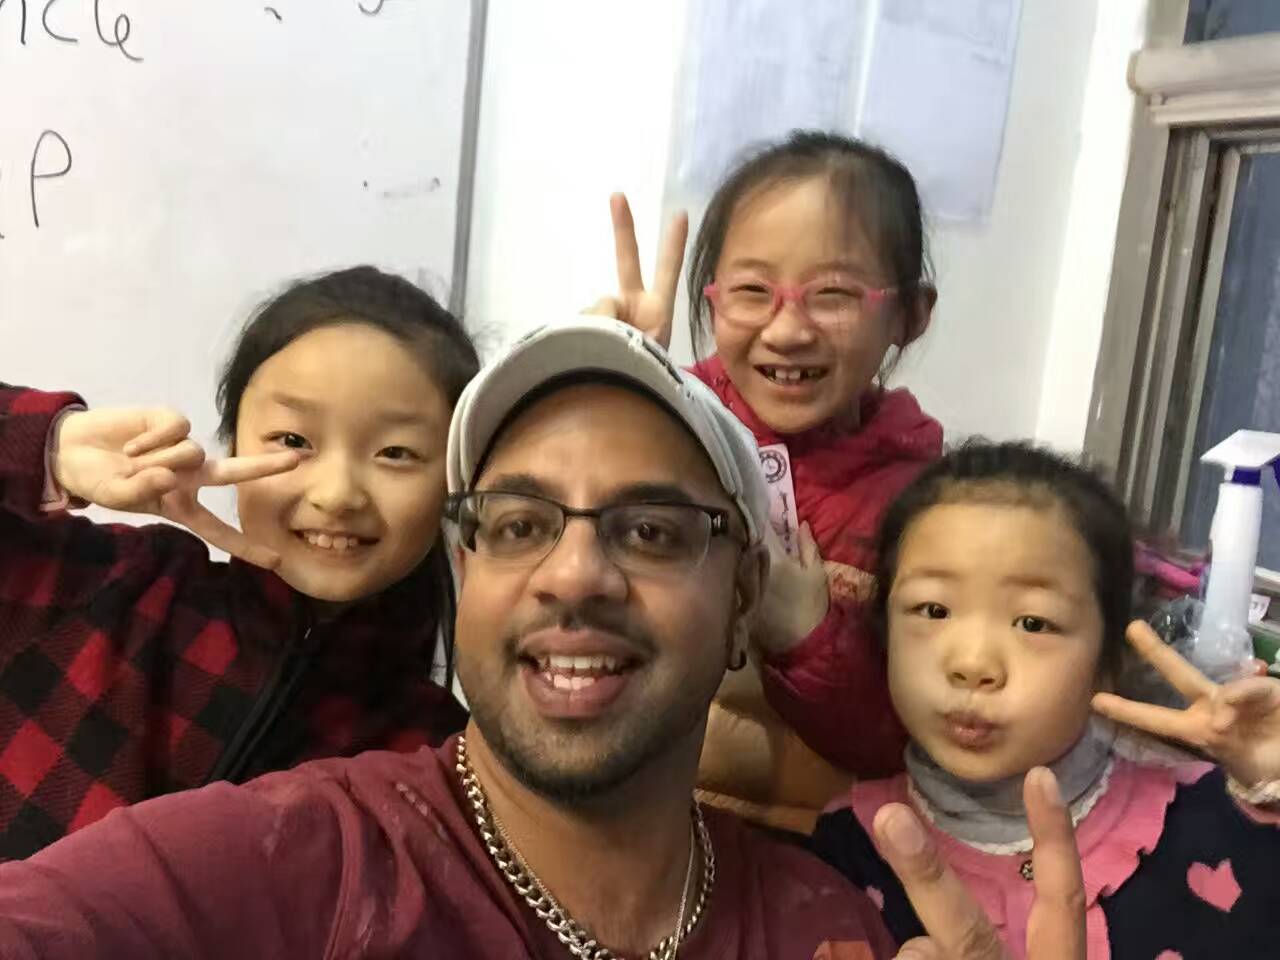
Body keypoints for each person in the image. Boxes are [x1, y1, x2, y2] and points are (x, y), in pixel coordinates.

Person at [0, 318, 1087, 960]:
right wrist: (47, 444)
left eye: (651, 530)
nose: (572, 574)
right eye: (518, 524)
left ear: (743, 597)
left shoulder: (824, 927)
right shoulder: (299, 860)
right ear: (465, 569)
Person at [0, 266, 475, 858]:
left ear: (454, 483)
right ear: (231, 443)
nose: (336, 494)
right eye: (294, 441)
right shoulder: (114, 585)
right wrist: (47, 446)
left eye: (396, 452)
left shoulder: (441, 768)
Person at [594, 130, 943, 827]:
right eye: (753, 291)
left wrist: (808, 638)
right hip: (636, 832)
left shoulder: (929, 510)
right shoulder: (669, 428)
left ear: (909, 314)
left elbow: (911, 740)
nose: (787, 331)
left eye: (833, 294)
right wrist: (618, 387)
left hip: (811, 856)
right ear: (711, 302)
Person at [810, 441, 1280, 958]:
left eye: (1033, 623)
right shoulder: (845, 853)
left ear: (1108, 657)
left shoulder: (1223, 811)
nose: (973, 663)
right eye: (933, 610)